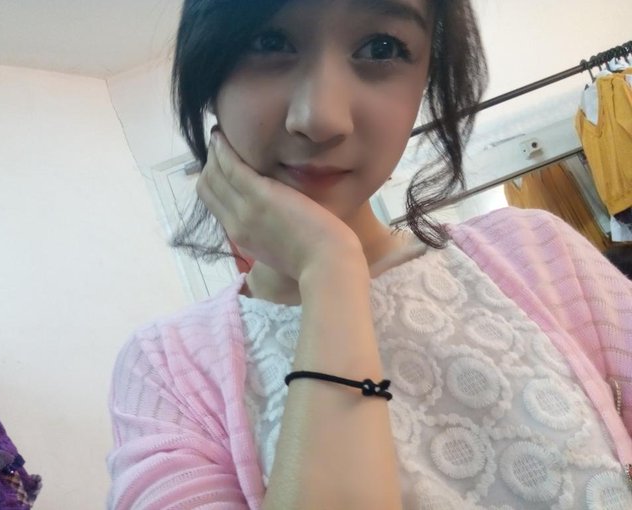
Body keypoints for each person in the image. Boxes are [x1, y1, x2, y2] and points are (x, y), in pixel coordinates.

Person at [106, 1, 632, 508]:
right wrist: (329, 273)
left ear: (427, 78)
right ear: (207, 75)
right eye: (268, 41)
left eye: (382, 47)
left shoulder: (537, 254)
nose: (320, 118)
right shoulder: (164, 369)